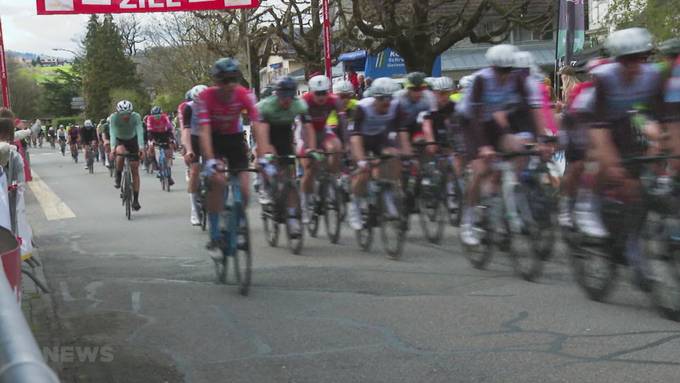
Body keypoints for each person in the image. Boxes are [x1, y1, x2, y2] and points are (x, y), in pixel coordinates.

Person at [589, 27, 664, 289]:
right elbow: (599, 130)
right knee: (611, 170)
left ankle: (633, 231)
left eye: (641, 58)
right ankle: (591, 208)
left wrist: (660, 144)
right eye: (627, 60)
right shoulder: (605, 78)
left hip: (630, 121)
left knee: (639, 185)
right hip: (602, 125)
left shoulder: (652, 76)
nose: (635, 66)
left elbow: (658, 116)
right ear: (617, 60)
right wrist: (613, 164)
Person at [458, 44, 547, 246]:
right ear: (492, 68)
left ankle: (507, 196)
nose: (504, 75)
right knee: (481, 170)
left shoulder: (518, 80)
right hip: (471, 122)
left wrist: (538, 141)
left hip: (494, 121)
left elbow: (528, 111)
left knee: (518, 149)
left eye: (509, 70)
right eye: (500, 70)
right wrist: (484, 147)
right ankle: (468, 221)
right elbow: (476, 116)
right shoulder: (482, 79)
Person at [195, 58, 259, 250]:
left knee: (245, 190)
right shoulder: (205, 97)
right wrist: (211, 160)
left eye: (234, 79)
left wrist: (262, 154)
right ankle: (215, 232)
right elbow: (204, 131)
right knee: (218, 181)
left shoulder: (243, 94)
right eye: (224, 81)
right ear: (216, 82)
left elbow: (259, 124)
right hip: (213, 140)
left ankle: (238, 225)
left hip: (234, 139)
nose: (229, 85)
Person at [346, 77, 410, 230]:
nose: (386, 102)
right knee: (364, 171)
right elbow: (355, 138)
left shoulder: (396, 107)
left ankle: (388, 193)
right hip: (361, 140)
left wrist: (406, 153)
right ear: (374, 97)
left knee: (393, 157)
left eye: (390, 98)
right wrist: (361, 160)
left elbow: (402, 132)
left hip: (381, 139)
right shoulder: (363, 108)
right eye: (382, 98)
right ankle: (354, 205)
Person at [255, 76, 313, 235]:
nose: (286, 100)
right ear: (277, 94)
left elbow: (308, 128)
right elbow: (262, 134)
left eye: (290, 96)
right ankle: (264, 186)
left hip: (284, 134)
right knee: (266, 159)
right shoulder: (266, 106)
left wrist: (311, 148)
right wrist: (266, 151)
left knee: (289, 178)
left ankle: (293, 217)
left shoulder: (299, 105)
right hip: (266, 131)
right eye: (283, 96)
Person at [298, 75, 344, 224]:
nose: (321, 96)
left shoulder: (334, 100)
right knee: (309, 169)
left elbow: (343, 123)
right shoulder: (304, 102)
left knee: (336, 147)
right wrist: (311, 148)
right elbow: (306, 128)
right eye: (318, 93)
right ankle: (304, 204)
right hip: (304, 134)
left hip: (323, 132)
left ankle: (331, 181)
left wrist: (347, 144)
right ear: (311, 92)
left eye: (324, 92)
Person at [109, 100, 145, 211]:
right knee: (120, 154)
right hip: (120, 140)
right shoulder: (114, 117)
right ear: (118, 113)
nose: (125, 116)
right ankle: (118, 175)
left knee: (135, 169)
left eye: (128, 114)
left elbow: (139, 131)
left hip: (133, 140)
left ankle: (135, 199)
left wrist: (141, 148)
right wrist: (112, 148)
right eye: (123, 114)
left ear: (131, 113)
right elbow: (113, 132)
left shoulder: (136, 117)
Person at [180, 85, 208, 226]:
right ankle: (194, 210)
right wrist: (188, 149)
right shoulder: (188, 108)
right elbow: (186, 131)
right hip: (193, 137)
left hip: (208, 137)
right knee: (195, 170)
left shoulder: (212, 106)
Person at [146, 106, 176, 186]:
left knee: (170, 147)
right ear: (152, 115)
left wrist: (172, 139)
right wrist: (151, 142)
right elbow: (149, 132)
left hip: (164, 134)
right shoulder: (150, 119)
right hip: (154, 134)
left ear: (161, 114)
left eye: (158, 115)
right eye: (155, 115)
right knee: (151, 147)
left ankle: (168, 173)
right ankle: (154, 163)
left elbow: (170, 130)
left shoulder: (165, 117)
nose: (157, 117)